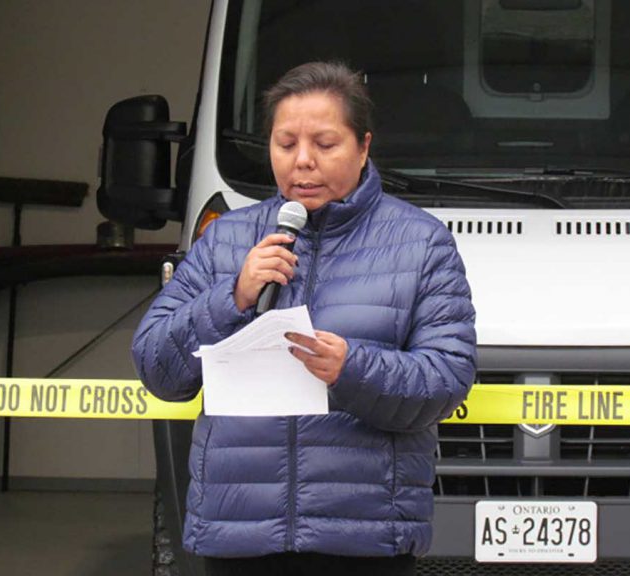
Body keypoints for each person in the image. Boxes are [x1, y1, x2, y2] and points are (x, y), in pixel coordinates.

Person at [132, 61, 477, 576]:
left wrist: (351, 368)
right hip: (239, 534)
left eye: (325, 144)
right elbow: (157, 367)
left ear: (363, 147)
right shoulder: (226, 240)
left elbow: (448, 378)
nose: (303, 162)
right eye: (285, 143)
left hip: (364, 537)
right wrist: (233, 297)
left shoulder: (421, 243)